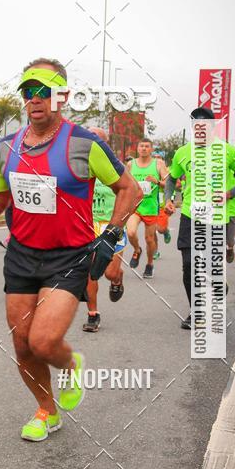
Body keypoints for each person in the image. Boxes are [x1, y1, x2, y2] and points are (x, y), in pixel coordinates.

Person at [0, 57, 141, 441]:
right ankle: (46, 409)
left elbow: (130, 189)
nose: (34, 99)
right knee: (22, 343)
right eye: (28, 92)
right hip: (21, 254)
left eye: (42, 92)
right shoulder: (7, 147)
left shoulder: (85, 143)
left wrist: (111, 234)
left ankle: (71, 364)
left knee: (44, 341)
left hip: (69, 256)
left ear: (61, 96)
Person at [164, 107, 235, 328]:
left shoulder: (228, 152)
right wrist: (168, 198)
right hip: (189, 215)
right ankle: (197, 311)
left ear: (212, 128)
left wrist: (228, 193)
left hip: (217, 217)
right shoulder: (182, 152)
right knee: (189, 264)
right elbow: (170, 179)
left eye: (204, 127)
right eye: (195, 127)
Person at [83, 127, 129, 332]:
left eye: (96, 139)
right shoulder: (80, 166)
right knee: (90, 273)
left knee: (109, 273)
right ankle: (93, 314)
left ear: (105, 144)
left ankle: (117, 279)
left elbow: (130, 195)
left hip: (112, 226)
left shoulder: (118, 168)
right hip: (88, 225)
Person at [127, 138, 169, 279]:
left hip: (151, 207)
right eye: (141, 146)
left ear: (151, 149)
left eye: (147, 146)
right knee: (131, 232)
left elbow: (169, 184)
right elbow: (124, 184)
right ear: (137, 149)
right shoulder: (130, 164)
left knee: (150, 239)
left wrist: (156, 181)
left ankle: (150, 264)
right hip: (135, 206)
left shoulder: (158, 164)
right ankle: (137, 250)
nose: (144, 148)